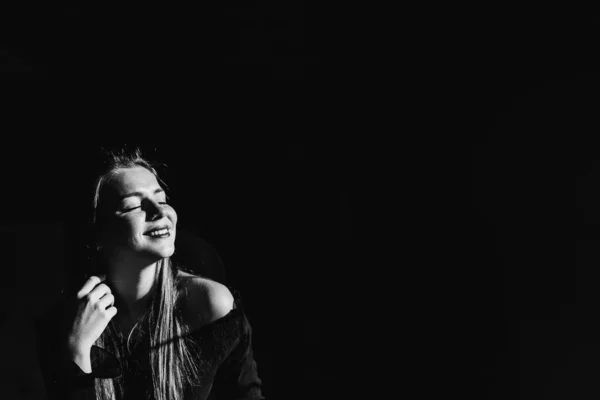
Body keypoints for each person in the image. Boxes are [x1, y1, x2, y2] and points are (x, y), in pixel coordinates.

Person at [34, 148, 265, 400]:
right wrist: (77, 352)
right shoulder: (66, 325)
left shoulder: (211, 306)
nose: (160, 212)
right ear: (95, 235)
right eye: (134, 205)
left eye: (162, 200)